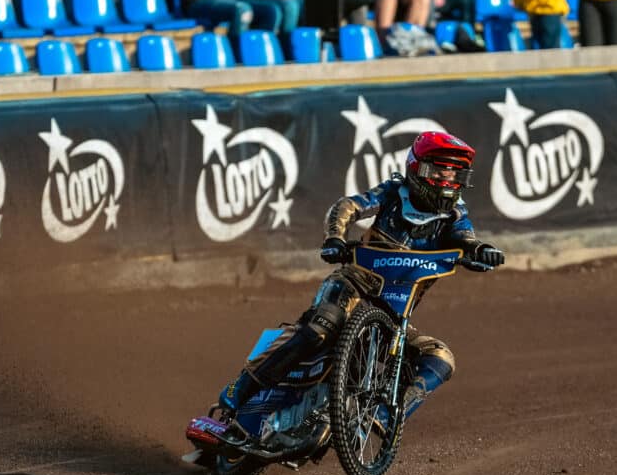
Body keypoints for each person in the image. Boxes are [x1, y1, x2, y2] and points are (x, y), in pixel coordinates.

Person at [217, 131, 506, 423]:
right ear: (417, 168)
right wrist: (335, 237)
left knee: (440, 358)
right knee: (320, 327)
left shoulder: (455, 216)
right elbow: (348, 207)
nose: (446, 181)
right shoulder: (393, 193)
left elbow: (466, 240)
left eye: (454, 174)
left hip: (393, 315)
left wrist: (482, 251)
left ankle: (382, 419)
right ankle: (239, 388)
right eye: (439, 171)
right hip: (352, 286)